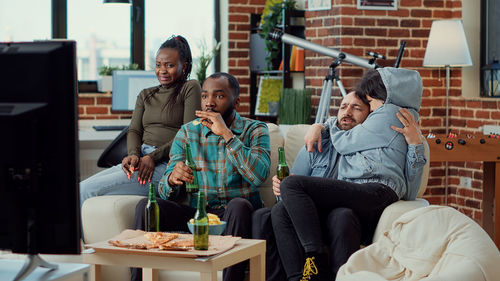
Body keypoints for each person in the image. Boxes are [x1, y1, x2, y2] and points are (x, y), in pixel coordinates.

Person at [252, 91, 425, 280]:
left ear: (371, 118)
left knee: (341, 215)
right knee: (279, 210)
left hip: (350, 220)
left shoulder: (376, 148)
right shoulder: (319, 143)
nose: (347, 112)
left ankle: (328, 269)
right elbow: (292, 189)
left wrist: (415, 144)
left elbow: (408, 186)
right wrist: (280, 187)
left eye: (356, 107)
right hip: (311, 221)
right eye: (343, 106)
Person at [131, 72, 271, 281]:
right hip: (197, 216)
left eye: (219, 96)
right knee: (146, 205)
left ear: (237, 102)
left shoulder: (255, 130)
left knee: (239, 205)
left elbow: (258, 175)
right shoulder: (187, 132)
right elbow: (163, 192)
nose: (209, 103)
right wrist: (172, 179)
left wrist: (227, 135)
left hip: (235, 217)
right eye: (205, 96)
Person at [79, 35, 201, 207]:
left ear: (184, 67)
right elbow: (134, 130)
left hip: (167, 164)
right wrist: (134, 155)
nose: (162, 70)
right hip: (143, 159)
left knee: (86, 191)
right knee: (80, 189)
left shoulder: (190, 88)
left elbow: (189, 134)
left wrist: (153, 156)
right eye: (158, 65)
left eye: (170, 65)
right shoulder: (146, 94)